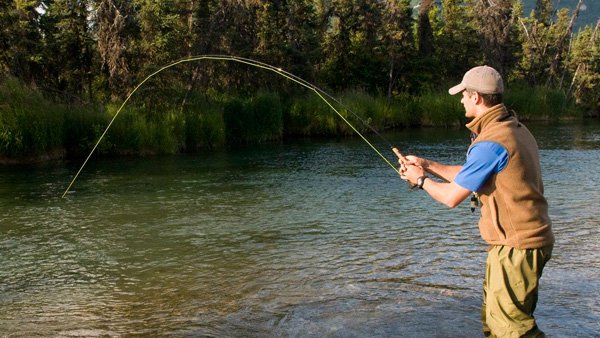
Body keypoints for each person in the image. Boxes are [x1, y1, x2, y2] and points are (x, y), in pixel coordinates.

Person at [396, 65, 555, 337]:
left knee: (512, 329)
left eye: (463, 94)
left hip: (516, 246)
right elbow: (474, 173)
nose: (460, 100)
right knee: (495, 323)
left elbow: (451, 197)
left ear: (477, 98)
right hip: (522, 242)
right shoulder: (512, 128)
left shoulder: (492, 141)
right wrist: (427, 164)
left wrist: (420, 180)